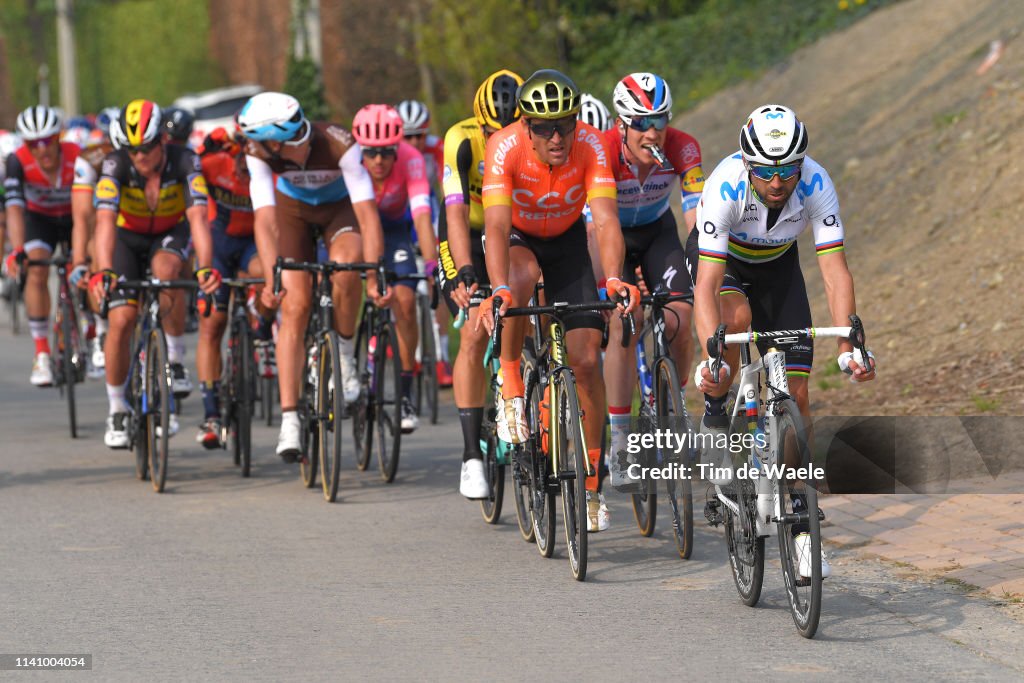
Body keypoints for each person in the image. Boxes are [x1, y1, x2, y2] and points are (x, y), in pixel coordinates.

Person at [690, 104, 877, 578]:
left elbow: (834, 272)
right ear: (748, 165)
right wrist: (714, 356)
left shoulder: (816, 183)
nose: (778, 181)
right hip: (724, 263)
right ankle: (717, 413)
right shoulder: (724, 187)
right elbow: (706, 286)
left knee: (797, 395)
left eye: (788, 169)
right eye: (768, 171)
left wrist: (847, 344)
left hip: (778, 267)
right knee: (737, 317)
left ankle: (797, 520)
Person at [478, 69, 639, 532]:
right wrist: (499, 288)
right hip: (518, 235)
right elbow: (493, 226)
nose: (556, 136)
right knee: (522, 274)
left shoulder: (590, 146)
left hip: (566, 239)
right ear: (525, 126)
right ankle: (509, 379)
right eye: (544, 127)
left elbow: (606, 220)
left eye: (564, 125)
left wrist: (612, 278)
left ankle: (591, 485)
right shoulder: (503, 147)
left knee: (587, 358)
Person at [237, 92, 387, 462]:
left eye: (258, 139)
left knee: (348, 266)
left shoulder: (339, 142)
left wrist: (372, 273)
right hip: (294, 216)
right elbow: (266, 220)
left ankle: (347, 356)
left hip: (340, 211)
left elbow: (367, 216)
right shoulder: (258, 154)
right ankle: (290, 420)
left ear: (278, 138)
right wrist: (275, 277)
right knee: (296, 304)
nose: (252, 146)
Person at [87, 100, 219, 448]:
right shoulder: (115, 164)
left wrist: (205, 266)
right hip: (126, 239)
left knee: (167, 271)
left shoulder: (185, 161)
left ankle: (174, 358)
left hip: (168, 233)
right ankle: (117, 407)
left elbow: (199, 220)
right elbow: (103, 225)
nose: (140, 157)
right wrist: (102, 272)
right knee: (122, 319)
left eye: (146, 148)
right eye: (133, 150)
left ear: (162, 140)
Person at [601, 72, 706, 486]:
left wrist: (702, 263)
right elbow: (599, 226)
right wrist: (616, 278)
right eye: (642, 124)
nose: (653, 133)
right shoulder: (603, 151)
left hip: (658, 231)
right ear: (621, 124)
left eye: (660, 121)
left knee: (682, 314)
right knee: (626, 322)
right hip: (613, 236)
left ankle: (674, 406)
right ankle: (621, 440)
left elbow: (697, 216)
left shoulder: (683, 146)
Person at [436, 68, 522, 498]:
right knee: (473, 330)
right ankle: (471, 456)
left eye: (506, 129)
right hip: (466, 232)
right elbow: (453, 212)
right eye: (492, 129)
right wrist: (464, 270)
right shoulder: (461, 139)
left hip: (510, 228)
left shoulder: (531, 137)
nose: (498, 137)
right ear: (478, 123)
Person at [352, 104, 438, 434]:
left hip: (397, 231)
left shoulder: (412, 160)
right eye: (370, 154)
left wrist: (432, 268)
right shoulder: (352, 163)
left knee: (404, 298)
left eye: (386, 153)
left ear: (397, 148)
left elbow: (421, 218)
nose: (378, 162)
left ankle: (405, 393)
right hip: (357, 227)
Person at [193, 127, 273, 448]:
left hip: (254, 245)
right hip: (220, 246)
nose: (243, 164)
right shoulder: (213, 164)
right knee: (212, 323)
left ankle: (263, 330)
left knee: (270, 278)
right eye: (239, 155)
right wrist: (203, 150)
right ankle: (211, 412)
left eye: (251, 156)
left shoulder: (269, 172)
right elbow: (183, 172)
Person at [4, 106, 78, 387]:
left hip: (73, 218)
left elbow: (90, 212)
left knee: (86, 264)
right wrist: (18, 250)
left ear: (59, 138)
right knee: (35, 269)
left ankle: (95, 333)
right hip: (40, 219)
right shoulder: (17, 161)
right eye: (34, 144)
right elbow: (13, 208)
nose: (42, 150)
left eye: (48, 141)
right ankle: (42, 353)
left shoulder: (76, 154)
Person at [395, 99, 453, 388]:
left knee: (439, 283)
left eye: (419, 135)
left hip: (425, 203)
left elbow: (446, 190)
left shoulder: (436, 146)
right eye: (408, 136)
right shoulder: (391, 151)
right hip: (399, 206)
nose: (414, 142)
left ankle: (442, 356)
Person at [70, 110, 118, 379]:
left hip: (134, 220)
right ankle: (100, 329)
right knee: (96, 246)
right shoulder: (90, 158)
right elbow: (82, 216)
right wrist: (79, 261)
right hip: (102, 218)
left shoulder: (146, 157)